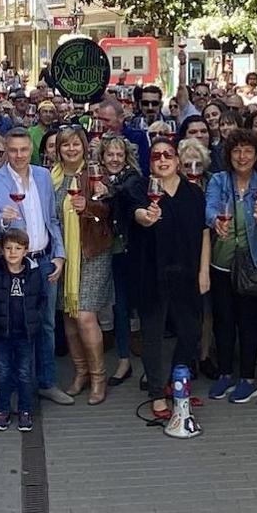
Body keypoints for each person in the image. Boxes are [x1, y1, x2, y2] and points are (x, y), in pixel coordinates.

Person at [0, 128, 69, 405]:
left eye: (23, 150)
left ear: (31, 150)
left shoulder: (43, 176)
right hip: (13, 266)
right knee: (15, 325)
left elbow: (52, 219)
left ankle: (46, 382)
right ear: (6, 151)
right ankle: (20, 387)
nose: (19, 155)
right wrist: (2, 219)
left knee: (45, 324)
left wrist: (60, 254)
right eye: (13, 150)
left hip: (43, 260)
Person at [129, 137, 209, 418]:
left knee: (190, 331)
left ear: (177, 160)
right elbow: (137, 213)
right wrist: (146, 217)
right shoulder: (141, 188)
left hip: (187, 271)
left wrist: (204, 271)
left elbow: (204, 232)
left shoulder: (194, 193)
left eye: (168, 155)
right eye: (156, 156)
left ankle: (176, 384)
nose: (162, 160)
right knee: (152, 334)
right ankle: (155, 392)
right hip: (152, 272)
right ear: (150, 163)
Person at [204, 129, 257, 404]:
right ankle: (224, 374)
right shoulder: (219, 180)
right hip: (222, 262)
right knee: (223, 321)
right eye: (236, 151)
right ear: (228, 154)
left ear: (256, 155)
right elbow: (208, 208)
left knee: (249, 323)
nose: (242, 157)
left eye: (248, 151)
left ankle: (247, 378)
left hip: (253, 262)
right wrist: (214, 221)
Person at [52, 126, 114, 406]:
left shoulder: (95, 174)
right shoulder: (49, 176)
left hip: (90, 252)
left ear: (84, 145)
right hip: (61, 253)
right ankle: (81, 373)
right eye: (66, 145)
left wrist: (88, 205)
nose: (71, 149)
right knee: (68, 315)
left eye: (76, 144)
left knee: (85, 316)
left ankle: (99, 376)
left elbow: (110, 211)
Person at [0, 229, 47, 432]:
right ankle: (2, 411)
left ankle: (25, 410)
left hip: (25, 332)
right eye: (8, 248)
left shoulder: (34, 273)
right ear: (2, 250)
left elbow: (41, 298)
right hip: (1, 332)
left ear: (26, 251)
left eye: (18, 249)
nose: (12, 253)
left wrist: (36, 318)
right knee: (2, 373)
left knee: (25, 372)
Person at [99, 134, 143, 387]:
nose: (114, 159)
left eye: (119, 155)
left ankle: (138, 361)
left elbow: (128, 194)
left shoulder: (132, 179)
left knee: (133, 305)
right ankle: (124, 359)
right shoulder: (98, 178)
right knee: (119, 307)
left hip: (130, 251)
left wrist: (110, 192)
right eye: (110, 155)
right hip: (108, 250)